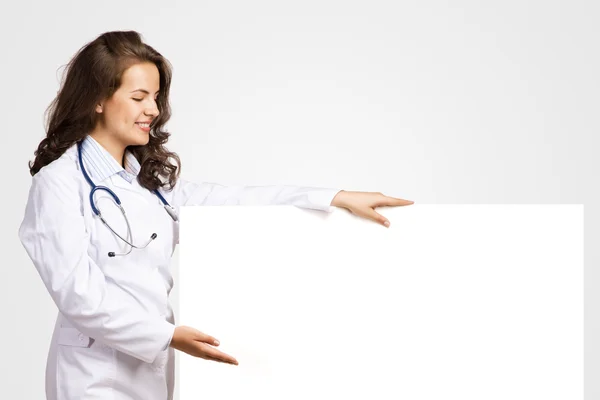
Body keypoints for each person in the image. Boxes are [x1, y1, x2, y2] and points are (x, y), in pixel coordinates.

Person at [18, 30, 414, 400]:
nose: (153, 110)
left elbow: (233, 201)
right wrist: (168, 336)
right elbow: (79, 295)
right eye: (139, 97)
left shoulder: (146, 181)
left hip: (151, 365)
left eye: (156, 97)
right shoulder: (59, 182)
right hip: (92, 372)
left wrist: (333, 196)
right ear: (98, 99)